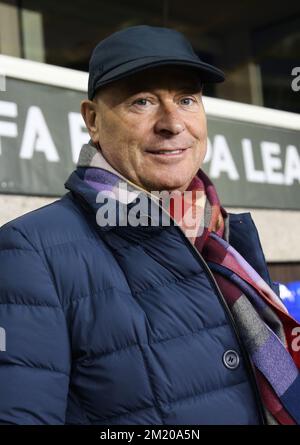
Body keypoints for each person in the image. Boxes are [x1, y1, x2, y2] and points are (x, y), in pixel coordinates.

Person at [0, 25, 299, 425]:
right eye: (142, 101)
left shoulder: (224, 233)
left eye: (187, 99)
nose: (173, 123)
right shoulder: (29, 251)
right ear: (92, 119)